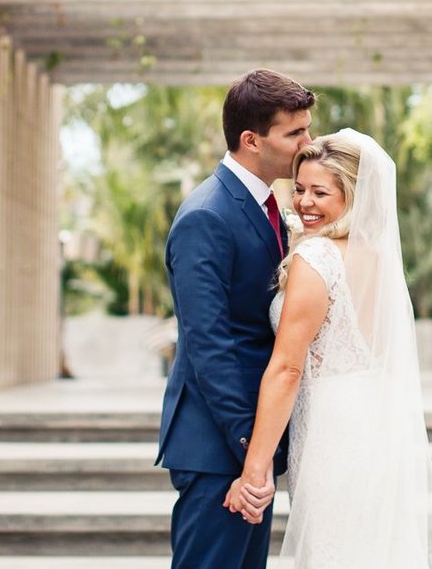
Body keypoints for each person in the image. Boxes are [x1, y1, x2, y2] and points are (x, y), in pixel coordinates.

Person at [226, 130, 432, 568]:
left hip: (333, 433)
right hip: (374, 423)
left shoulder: (319, 259)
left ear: (352, 194)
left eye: (320, 192)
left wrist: (254, 471)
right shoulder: (379, 259)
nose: (304, 202)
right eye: (300, 190)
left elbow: (288, 368)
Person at [158, 69, 316, 569]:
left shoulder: (268, 205)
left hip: (251, 445)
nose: (308, 143)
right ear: (251, 140)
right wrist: (252, 448)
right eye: (295, 133)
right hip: (219, 445)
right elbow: (210, 345)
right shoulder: (207, 215)